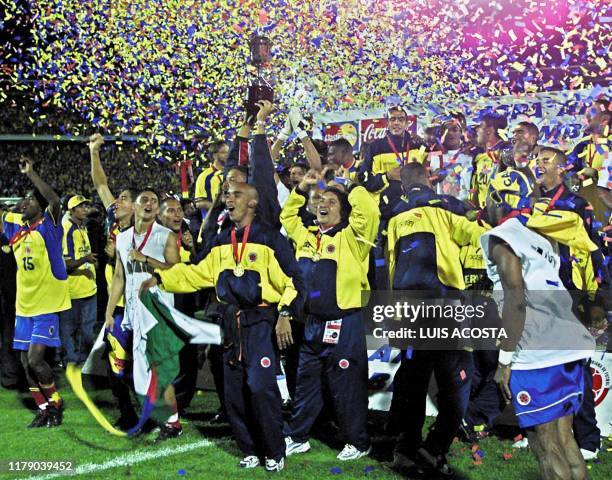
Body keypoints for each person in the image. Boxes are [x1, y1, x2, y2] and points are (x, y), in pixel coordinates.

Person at [140, 182, 305, 472]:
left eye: (236, 194)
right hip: (229, 323)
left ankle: (275, 450)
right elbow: (197, 274)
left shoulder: (269, 239)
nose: (228, 199)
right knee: (234, 392)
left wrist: (285, 313)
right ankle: (249, 449)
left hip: (259, 321)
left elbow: (294, 280)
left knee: (260, 386)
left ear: (252, 203)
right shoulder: (219, 241)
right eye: (227, 195)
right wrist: (161, 278)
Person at [482, 168, 595, 480]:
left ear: (495, 199)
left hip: (537, 350)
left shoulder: (502, 236)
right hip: (566, 342)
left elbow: (516, 298)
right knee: (564, 438)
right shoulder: (539, 234)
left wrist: (504, 360)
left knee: (544, 445)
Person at [386, 162, 486, 477]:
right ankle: (434, 448)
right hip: (447, 308)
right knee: (457, 383)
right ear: (430, 181)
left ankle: (405, 449)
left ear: (403, 188)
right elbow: (480, 235)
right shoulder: (444, 210)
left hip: (409, 310)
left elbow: (391, 265)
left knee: (413, 383)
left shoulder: (396, 219)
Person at [281, 170, 379, 461]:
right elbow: (287, 217)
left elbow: (370, 211)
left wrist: (348, 185)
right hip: (312, 323)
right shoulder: (307, 236)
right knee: (306, 382)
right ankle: (298, 436)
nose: (324, 203)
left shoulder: (354, 238)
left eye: (332, 201)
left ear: (344, 210)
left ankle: (358, 442)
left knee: (347, 385)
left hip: (344, 322)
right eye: (321, 199)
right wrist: (300, 189)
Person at [527, 146, 609, 461]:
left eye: (545, 160)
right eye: (536, 160)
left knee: (575, 367)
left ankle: (588, 437)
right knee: (538, 366)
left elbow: (592, 253)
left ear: (562, 169)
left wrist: (594, 301)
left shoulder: (575, 205)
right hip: (536, 294)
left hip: (569, 294)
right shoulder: (530, 201)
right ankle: (538, 430)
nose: (538, 164)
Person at [104, 188, 182, 441]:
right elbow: (118, 277)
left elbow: (176, 271)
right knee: (142, 369)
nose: (149, 204)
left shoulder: (166, 236)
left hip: (158, 311)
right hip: (134, 312)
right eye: (144, 200)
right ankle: (156, 416)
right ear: (135, 207)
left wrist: (146, 258)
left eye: (154, 201)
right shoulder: (124, 238)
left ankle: (173, 423)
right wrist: (108, 313)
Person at [0, 157, 71, 428]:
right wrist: (13, 207)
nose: (26, 202)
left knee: (35, 359)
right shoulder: (16, 230)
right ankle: (43, 408)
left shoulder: (49, 228)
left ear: (39, 207)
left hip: (46, 305)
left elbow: (55, 201)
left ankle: (56, 403)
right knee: (24, 363)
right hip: (23, 307)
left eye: (31, 200)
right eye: (24, 200)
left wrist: (31, 174)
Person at [89, 133, 138, 429]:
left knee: (142, 365)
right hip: (116, 308)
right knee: (116, 364)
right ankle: (128, 414)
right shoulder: (114, 222)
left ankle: (159, 414)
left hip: (139, 308)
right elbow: (100, 184)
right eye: (118, 198)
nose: (117, 201)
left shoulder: (146, 230)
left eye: (124, 199)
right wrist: (94, 153)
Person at [60, 195, 98, 365]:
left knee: (87, 329)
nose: (85, 209)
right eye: (81, 207)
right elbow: (67, 264)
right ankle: (70, 359)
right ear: (72, 210)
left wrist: (90, 263)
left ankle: (83, 360)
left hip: (89, 286)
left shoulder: (81, 226)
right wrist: (86, 259)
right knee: (70, 328)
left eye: (86, 206)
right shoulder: (67, 229)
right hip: (74, 290)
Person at [471, 111, 509, 208]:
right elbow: (476, 191)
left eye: (480, 126)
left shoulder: (508, 156)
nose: (477, 130)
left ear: (489, 130)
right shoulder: (479, 159)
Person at [194, 140, 230, 215]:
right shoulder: (204, 176)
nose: (227, 155)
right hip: (213, 221)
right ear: (214, 155)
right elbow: (199, 202)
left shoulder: (232, 173)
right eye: (223, 152)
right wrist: (220, 209)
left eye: (228, 152)